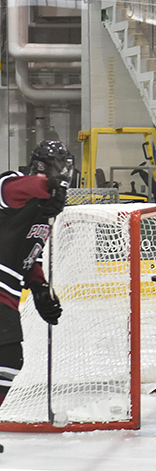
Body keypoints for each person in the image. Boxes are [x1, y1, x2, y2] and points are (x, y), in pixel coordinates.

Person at [0, 140, 68, 407]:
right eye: (58, 167)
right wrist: (47, 187)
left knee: (9, 361)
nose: (63, 173)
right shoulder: (14, 183)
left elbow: (31, 254)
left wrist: (40, 287)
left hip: (8, 295)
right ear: (41, 166)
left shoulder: (44, 210)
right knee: (8, 358)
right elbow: (11, 191)